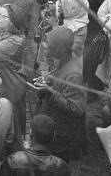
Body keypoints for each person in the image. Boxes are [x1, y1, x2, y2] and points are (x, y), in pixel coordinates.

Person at [34, 27, 87, 162]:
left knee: (59, 165)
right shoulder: (60, 60)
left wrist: (50, 92)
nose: (45, 48)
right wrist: (45, 84)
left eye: (50, 47)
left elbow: (77, 109)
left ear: (60, 49)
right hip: (53, 125)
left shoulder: (73, 75)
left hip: (64, 136)